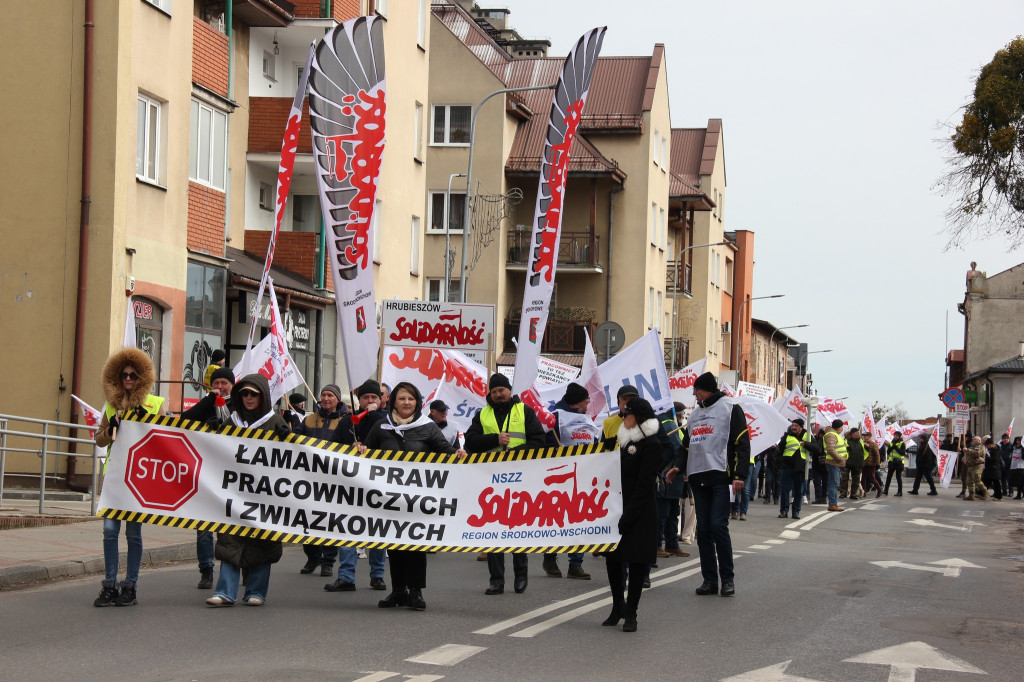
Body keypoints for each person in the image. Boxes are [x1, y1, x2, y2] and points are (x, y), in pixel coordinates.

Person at [360, 382, 467, 610]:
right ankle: (398, 591)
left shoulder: (427, 427)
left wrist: (457, 453)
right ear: (393, 402)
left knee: (416, 544)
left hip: (419, 499)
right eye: (401, 399)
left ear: (417, 402)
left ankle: (416, 591)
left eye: (410, 399)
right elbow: (366, 451)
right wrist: (360, 449)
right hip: (389, 498)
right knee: (395, 544)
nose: (406, 403)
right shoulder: (381, 427)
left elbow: (445, 452)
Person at [205, 374, 290, 606]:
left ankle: (256, 592)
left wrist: (288, 438)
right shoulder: (232, 422)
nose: (249, 398)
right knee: (229, 539)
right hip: (234, 493)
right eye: (244, 393)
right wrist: (212, 431)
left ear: (262, 396)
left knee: (262, 541)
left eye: (253, 393)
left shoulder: (275, 423)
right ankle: (225, 592)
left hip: (265, 495)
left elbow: (294, 460)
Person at [92, 347, 166, 607]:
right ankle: (109, 585)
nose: (128, 379)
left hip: (139, 480)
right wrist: (110, 430)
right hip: (114, 478)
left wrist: (151, 425)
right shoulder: (111, 405)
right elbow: (99, 438)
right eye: (124, 375)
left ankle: (130, 586)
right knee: (110, 531)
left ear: (141, 378)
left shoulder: (155, 404)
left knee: (133, 534)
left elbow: (167, 442)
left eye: (133, 375)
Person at [666, 372, 749, 597]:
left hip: (722, 477)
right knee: (703, 531)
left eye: (697, 390)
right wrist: (679, 467)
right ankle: (709, 580)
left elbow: (742, 442)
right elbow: (686, 446)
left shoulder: (730, 408)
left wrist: (739, 474)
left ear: (707, 390)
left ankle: (728, 579)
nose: (694, 394)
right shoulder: (695, 415)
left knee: (717, 526)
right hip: (698, 478)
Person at [465, 372, 545, 595]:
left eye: (502, 390)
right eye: (494, 391)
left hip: (519, 479)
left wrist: (514, 454)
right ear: (489, 394)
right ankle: (496, 581)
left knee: (516, 528)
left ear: (509, 390)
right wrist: (494, 440)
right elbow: (471, 442)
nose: (498, 394)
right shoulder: (482, 415)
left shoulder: (524, 411)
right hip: (491, 481)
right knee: (493, 530)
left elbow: (539, 442)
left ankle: (521, 574)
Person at [601, 397, 662, 632]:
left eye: (626, 415)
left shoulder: (652, 445)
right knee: (613, 558)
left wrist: (630, 514)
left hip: (640, 510)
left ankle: (632, 614)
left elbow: (645, 484)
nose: (622, 419)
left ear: (637, 418)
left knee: (636, 561)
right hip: (616, 506)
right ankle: (618, 606)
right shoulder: (622, 441)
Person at [327, 379, 388, 592]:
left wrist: (374, 416)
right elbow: (332, 447)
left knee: (377, 531)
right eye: (365, 398)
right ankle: (346, 576)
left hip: (377, 485)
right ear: (359, 400)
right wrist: (348, 449)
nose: (369, 401)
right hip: (350, 484)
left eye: (373, 398)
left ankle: (377, 575)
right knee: (347, 529)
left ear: (380, 400)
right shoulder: (346, 422)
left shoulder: (386, 420)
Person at [181, 366, 235, 590]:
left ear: (232, 385)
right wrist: (208, 403)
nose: (220, 387)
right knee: (202, 527)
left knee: (230, 529)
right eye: (216, 383)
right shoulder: (207, 404)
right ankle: (206, 570)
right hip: (205, 473)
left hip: (230, 475)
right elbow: (185, 420)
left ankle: (235, 568)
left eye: (224, 383)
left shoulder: (239, 404)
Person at [542, 382, 596, 580]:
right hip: (560, 476)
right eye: (586, 400)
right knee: (556, 520)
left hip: (584, 476)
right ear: (578, 402)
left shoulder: (588, 419)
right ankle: (550, 557)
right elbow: (547, 444)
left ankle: (576, 564)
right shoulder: (556, 416)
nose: (589, 403)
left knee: (579, 520)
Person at [295, 385, 348, 577]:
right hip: (309, 479)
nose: (326, 398)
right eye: (323, 395)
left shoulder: (346, 421)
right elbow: (296, 441)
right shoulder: (308, 419)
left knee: (330, 521)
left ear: (337, 399)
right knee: (307, 520)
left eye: (330, 395)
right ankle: (313, 557)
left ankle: (328, 561)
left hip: (334, 480)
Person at [777, 419, 810, 519]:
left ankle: (796, 512)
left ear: (801, 427)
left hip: (800, 468)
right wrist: (780, 464)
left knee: (798, 491)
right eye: (793, 425)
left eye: (796, 426)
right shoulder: (786, 436)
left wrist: (806, 444)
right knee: (785, 490)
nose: (794, 427)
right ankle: (784, 511)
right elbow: (779, 450)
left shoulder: (807, 436)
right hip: (787, 467)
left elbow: (817, 448)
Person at [823, 419, 848, 511]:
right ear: (839, 427)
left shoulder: (835, 435)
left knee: (834, 484)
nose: (842, 428)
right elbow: (831, 449)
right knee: (833, 484)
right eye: (842, 426)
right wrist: (840, 458)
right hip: (834, 463)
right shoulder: (831, 435)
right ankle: (832, 504)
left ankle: (833, 504)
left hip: (837, 463)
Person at [841, 428, 866, 500]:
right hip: (848, 462)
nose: (858, 434)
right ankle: (843, 493)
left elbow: (864, 452)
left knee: (856, 480)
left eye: (858, 433)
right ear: (852, 434)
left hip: (858, 463)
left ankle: (853, 493)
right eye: (856, 433)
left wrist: (867, 448)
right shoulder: (846, 441)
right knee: (845, 478)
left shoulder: (861, 441)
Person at [963, 436, 988, 501]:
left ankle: (985, 492)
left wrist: (967, 450)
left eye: (975, 439)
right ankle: (971, 495)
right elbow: (966, 455)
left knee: (977, 480)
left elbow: (977, 453)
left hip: (977, 465)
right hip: (970, 465)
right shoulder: (972, 447)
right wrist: (964, 460)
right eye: (973, 439)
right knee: (969, 481)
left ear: (979, 441)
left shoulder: (981, 447)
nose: (973, 440)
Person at [884, 431, 906, 496]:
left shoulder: (902, 443)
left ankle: (900, 492)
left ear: (899, 436)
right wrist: (891, 447)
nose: (895, 436)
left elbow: (902, 453)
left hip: (899, 462)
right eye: (895, 435)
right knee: (888, 477)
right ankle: (885, 490)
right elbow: (888, 452)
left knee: (898, 477)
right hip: (892, 462)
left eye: (897, 435)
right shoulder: (891, 443)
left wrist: (895, 447)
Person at [861, 432, 884, 498]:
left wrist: (877, 463)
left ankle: (879, 489)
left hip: (871, 463)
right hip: (864, 463)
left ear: (869, 436)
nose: (864, 437)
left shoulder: (873, 444)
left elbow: (877, 454)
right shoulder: (863, 443)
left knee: (872, 478)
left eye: (865, 436)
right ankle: (863, 491)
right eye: (864, 436)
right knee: (863, 478)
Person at [982, 436, 1003, 500]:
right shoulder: (990, 450)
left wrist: (986, 458)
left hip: (994, 468)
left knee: (996, 483)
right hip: (990, 469)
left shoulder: (995, 450)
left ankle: (998, 496)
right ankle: (982, 494)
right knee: (986, 481)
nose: (986, 447)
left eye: (987, 445)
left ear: (990, 445)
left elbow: (995, 459)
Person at [999, 433, 1014, 498]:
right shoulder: (1000, 446)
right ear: (1002, 439)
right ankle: (1004, 491)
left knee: (1009, 479)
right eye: (1004, 439)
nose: (1006, 440)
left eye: (1007, 439)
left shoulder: (1011, 446)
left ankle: (1011, 491)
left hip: (1009, 464)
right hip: (1002, 464)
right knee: (1003, 479)